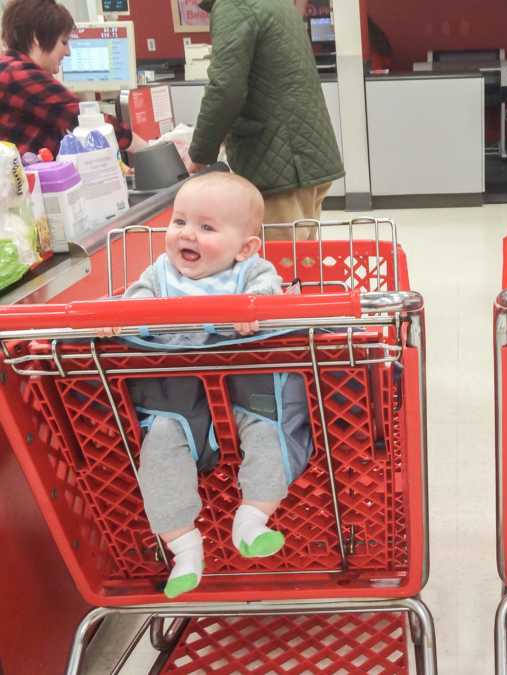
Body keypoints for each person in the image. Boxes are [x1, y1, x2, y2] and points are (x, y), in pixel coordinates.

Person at [102, 172, 305, 598]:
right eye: (179, 222)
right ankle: (183, 546)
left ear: (245, 247)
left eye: (206, 227)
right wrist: (127, 315)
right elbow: (135, 300)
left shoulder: (252, 271)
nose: (186, 234)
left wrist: (254, 309)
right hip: (176, 392)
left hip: (244, 387)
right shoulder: (160, 273)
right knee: (158, 449)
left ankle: (251, 520)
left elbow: (271, 295)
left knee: (272, 437)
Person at [186, 0, 344, 239]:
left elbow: (225, 89)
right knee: (303, 261)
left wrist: (199, 155)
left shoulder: (234, 6)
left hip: (278, 163)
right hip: (304, 155)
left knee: (279, 267)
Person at [0, 0, 143, 157]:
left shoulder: (9, 67)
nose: (68, 52)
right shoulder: (19, 75)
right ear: (37, 38)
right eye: (64, 42)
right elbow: (87, 118)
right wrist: (148, 149)